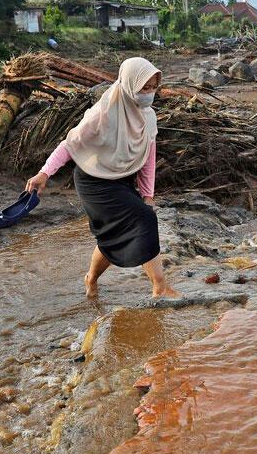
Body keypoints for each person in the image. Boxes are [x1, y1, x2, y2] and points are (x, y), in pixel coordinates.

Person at [24, 57, 179, 299]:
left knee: (114, 235)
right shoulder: (102, 113)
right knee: (144, 219)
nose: (149, 94)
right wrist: (44, 173)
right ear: (129, 85)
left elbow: (148, 158)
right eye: (144, 88)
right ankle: (159, 286)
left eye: (153, 88)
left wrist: (148, 195)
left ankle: (91, 278)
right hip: (93, 181)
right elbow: (69, 144)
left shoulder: (148, 117)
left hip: (122, 179)